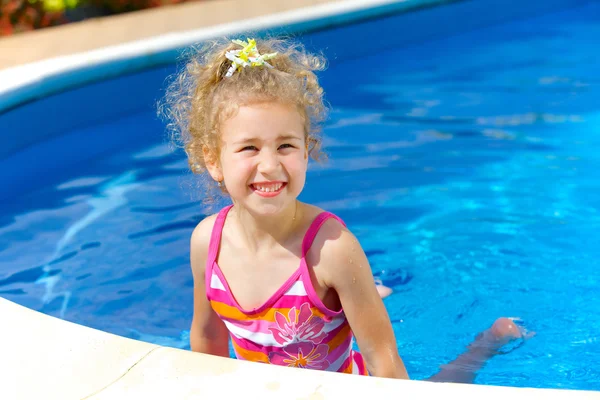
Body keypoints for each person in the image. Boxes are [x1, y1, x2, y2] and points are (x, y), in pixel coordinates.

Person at [159, 37, 528, 381]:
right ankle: (361, 295)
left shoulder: (331, 250)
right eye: (249, 148)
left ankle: (489, 342)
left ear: (307, 149)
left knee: (442, 387)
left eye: (286, 145)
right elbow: (207, 340)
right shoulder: (208, 242)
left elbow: (383, 361)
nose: (270, 165)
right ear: (213, 159)